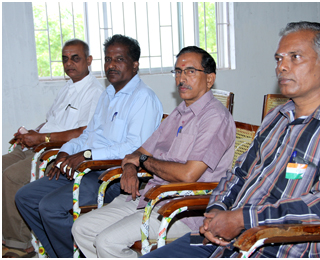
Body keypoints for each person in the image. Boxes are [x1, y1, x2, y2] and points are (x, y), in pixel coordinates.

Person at [141, 21, 320, 258]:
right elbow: (238, 174)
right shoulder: (276, 118)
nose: (282, 67)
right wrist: (216, 211)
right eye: (279, 59)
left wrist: (242, 219)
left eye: (295, 57)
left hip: (272, 247)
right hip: (222, 238)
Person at [72, 46, 237, 258]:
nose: (181, 79)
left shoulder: (215, 118)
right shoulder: (179, 112)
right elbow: (137, 152)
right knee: (81, 229)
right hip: (151, 196)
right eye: (178, 71)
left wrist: (142, 160)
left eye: (190, 71)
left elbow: (188, 175)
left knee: (107, 242)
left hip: (182, 208)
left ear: (210, 79)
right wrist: (131, 167)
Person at [15, 34, 163, 258]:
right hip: (88, 168)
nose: (111, 65)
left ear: (135, 65)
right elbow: (90, 134)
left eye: (119, 59)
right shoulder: (108, 94)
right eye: (108, 59)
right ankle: (60, 254)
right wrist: (66, 151)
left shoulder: (143, 99)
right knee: (25, 197)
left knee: (50, 208)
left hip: (114, 176)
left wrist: (86, 155)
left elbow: (134, 148)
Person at [2, 38, 104, 258]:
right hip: (41, 143)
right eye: (65, 59)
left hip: (56, 151)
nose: (70, 64)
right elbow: (53, 121)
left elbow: (82, 132)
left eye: (75, 58)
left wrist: (42, 138)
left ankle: (20, 245)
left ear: (89, 60)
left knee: (10, 176)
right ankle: (8, 234)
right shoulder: (67, 88)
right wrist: (30, 133)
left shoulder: (94, 91)